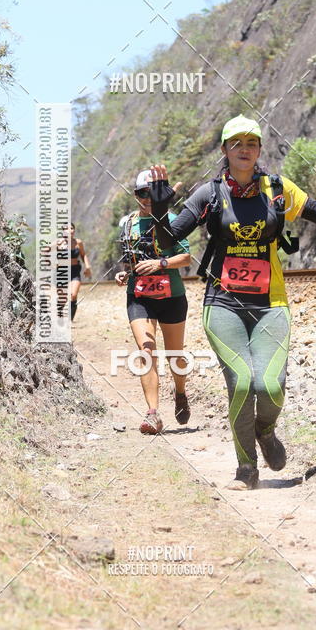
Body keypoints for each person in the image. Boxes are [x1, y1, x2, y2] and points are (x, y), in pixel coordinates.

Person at [146, 115, 316, 490]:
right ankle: (246, 469)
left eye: (251, 143)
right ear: (224, 150)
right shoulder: (208, 194)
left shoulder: (276, 189)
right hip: (222, 303)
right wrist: (160, 210)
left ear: (259, 150)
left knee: (270, 386)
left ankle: (265, 431)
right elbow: (167, 239)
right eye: (236, 143)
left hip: (270, 303)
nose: (244, 149)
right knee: (241, 384)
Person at [115, 169, 192, 434]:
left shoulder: (172, 219)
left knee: (175, 356)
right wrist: (125, 273)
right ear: (135, 195)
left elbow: (186, 258)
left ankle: (180, 392)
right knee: (146, 351)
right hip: (139, 297)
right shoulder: (126, 224)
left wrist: (160, 263)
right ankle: (152, 414)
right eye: (141, 193)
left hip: (172, 296)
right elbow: (130, 260)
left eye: (152, 193)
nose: (147, 198)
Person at [57, 223, 91, 321]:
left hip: (75, 270)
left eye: (71, 228)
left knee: (73, 294)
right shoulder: (58, 243)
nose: (70, 230)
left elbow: (83, 255)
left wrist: (87, 267)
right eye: (66, 228)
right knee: (62, 298)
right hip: (62, 272)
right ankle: (59, 314)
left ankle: (70, 320)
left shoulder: (78, 242)